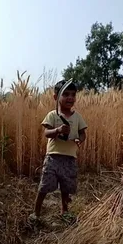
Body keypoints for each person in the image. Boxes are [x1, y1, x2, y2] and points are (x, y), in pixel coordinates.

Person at [29, 80, 87, 224]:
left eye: (73, 95)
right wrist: (58, 130)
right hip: (53, 158)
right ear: (56, 98)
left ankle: (64, 211)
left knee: (66, 186)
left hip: (69, 158)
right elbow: (46, 133)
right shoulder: (52, 115)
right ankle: (36, 213)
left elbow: (82, 133)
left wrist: (80, 139)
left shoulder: (77, 117)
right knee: (44, 185)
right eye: (66, 94)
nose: (70, 98)